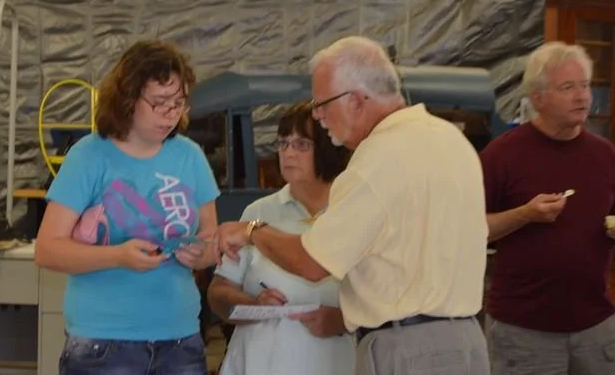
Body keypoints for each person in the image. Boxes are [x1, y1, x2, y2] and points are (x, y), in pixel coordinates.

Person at [216, 36, 490, 375]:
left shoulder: (378, 157)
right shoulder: (450, 140)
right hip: (466, 341)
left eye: (322, 104)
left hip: (407, 349)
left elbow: (313, 262)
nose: (318, 115)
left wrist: (252, 231)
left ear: (356, 100)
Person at [34, 40, 221, 375]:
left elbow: (211, 237)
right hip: (103, 342)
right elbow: (48, 250)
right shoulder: (89, 156)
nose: (171, 114)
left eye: (179, 103)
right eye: (159, 103)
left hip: (180, 339)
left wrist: (202, 254)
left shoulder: (189, 155)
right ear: (128, 98)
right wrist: (118, 256)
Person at [481, 41, 615, 374]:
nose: (583, 97)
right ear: (538, 98)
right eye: (568, 87)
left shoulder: (605, 155)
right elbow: (472, 230)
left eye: (585, 85)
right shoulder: (502, 155)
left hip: (597, 326)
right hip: (523, 333)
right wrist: (525, 214)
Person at [207, 101, 355, 375]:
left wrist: (344, 320)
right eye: (283, 143)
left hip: (335, 362)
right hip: (259, 362)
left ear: (329, 149)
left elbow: (384, 296)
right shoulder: (257, 213)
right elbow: (218, 293)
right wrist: (254, 305)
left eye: (302, 144)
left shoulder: (353, 212)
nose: (288, 153)